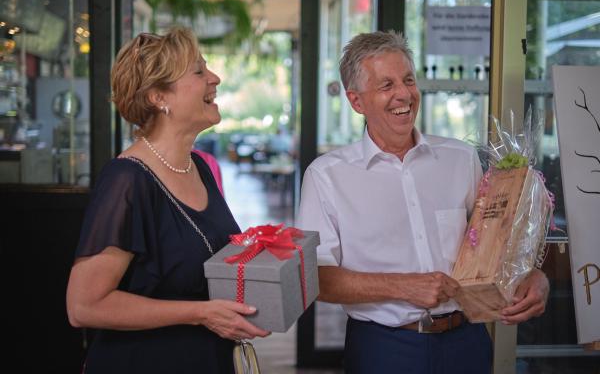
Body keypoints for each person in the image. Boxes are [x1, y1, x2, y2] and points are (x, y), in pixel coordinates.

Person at [296, 31, 549, 374]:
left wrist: (532, 275)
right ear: (356, 101)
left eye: (409, 80)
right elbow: (315, 278)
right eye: (386, 85)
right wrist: (403, 286)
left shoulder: (461, 158)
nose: (404, 94)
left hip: (468, 340)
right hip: (383, 349)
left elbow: (493, 243)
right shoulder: (326, 175)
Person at [66, 27, 269, 374]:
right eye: (199, 71)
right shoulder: (127, 180)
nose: (215, 78)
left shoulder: (199, 167)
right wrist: (200, 313)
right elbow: (83, 306)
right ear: (159, 96)